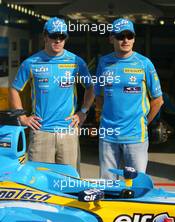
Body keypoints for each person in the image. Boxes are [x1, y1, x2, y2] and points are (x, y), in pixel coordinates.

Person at [9, 17, 94, 170]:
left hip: (67, 131)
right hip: (41, 132)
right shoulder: (31, 62)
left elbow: (91, 87)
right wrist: (22, 117)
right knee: (39, 181)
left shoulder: (76, 61)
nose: (57, 40)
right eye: (54, 36)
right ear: (45, 37)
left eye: (62, 36)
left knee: (69, 182)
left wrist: (83, 112)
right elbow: (14, 89)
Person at [95, 18, 163, 179]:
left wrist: (144, 122)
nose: (125, 40)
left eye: (129, 36)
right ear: (111, 38)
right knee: (107, 185)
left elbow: (158, 100)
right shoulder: (104, 62)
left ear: (134, 38)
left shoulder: (144, 63)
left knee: (136, 185)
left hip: (135, 136)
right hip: (108, 135)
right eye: (120, 36)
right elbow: (99, 95)